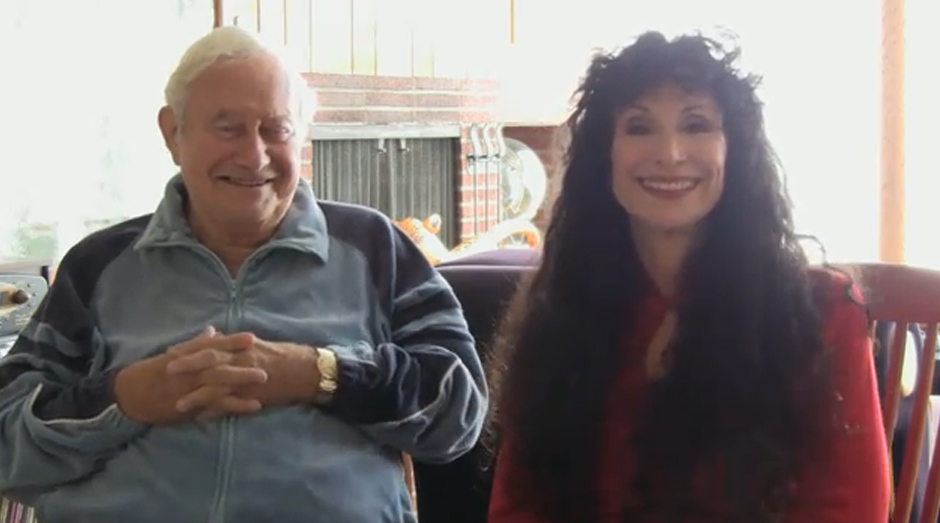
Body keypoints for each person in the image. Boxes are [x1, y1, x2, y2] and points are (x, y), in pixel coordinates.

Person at [0, 26, 487, 523]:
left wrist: (322, 374)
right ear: (173, 133)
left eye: (276, 129)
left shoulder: (375, 248)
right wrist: (125, 398)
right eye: (228, 128)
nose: (254, 156)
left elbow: (461, 414)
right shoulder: (99, 264)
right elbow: (6, 439)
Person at [486, 32, 890, 523]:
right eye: (639, 127)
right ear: (603, 157)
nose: (670, 152)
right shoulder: (559, 317)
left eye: (696, 124)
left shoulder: (824, 314)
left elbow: (849, 510)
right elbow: (518, 506)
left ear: (733, 151)